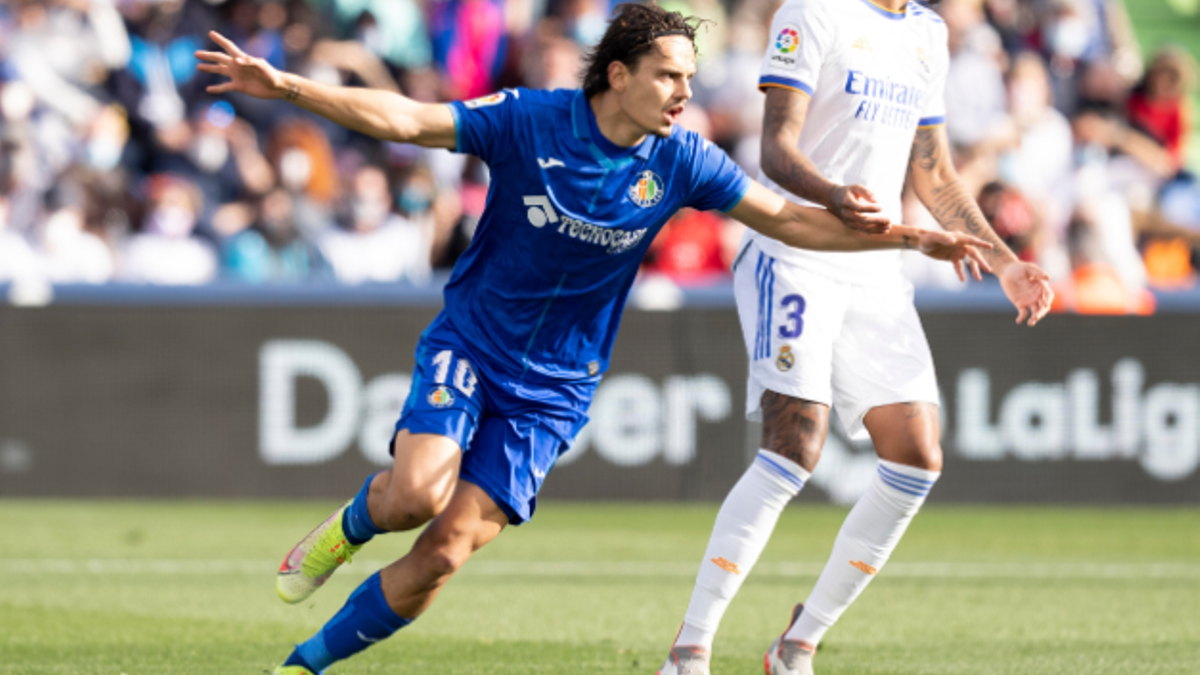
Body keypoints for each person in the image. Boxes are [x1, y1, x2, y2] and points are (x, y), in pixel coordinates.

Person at [195, 5, 992, 674]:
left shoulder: (683, 160)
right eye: (670, 76)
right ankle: (346, 530)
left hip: (556, 387)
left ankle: (302, 666)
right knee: (414, 495)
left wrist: (915, 241)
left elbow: (785, 217)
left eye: (688, 77)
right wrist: (288, 87)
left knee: (443, 553)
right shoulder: (530, 120)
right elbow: (409, 119)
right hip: (473, 341)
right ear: (619, 75)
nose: (687, 92)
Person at [655, 1, 1056, 674]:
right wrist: (834, 192)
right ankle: (690, 648)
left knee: (917, 456)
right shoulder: (813, 14)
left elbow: (933, 168)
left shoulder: (928, 32)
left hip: (877, 270)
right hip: (795, 250)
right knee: (795, 443)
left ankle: (797, 643)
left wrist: (1003, 260)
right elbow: (775, 152)